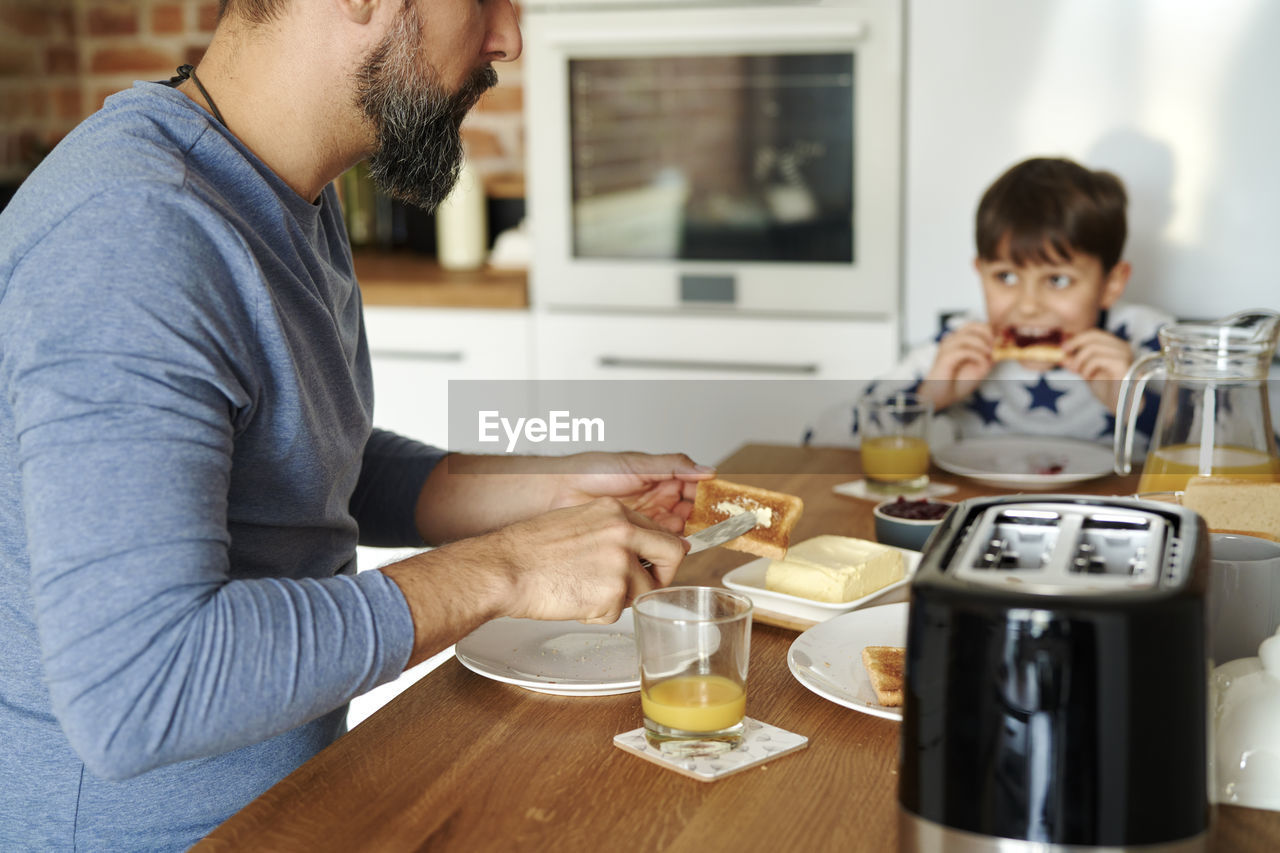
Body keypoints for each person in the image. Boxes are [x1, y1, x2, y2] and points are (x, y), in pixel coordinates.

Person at [0, 0, 715, 848]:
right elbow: (141, 687)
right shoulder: (134, 235)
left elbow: (302, 466)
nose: (509, 37)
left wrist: (541, 490)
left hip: (291, 807)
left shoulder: (283, 186)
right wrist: (507, 570)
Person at [805, 156, 1174, 449]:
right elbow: (821, 438)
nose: (1028, 305)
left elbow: (1223, 456)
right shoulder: (958, 345)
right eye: (1006, 277)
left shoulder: (1152, 343)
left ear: (1112, 283)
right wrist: (927, 398)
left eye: (1058, 280)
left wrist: (1139, 407)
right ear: (980, 272)